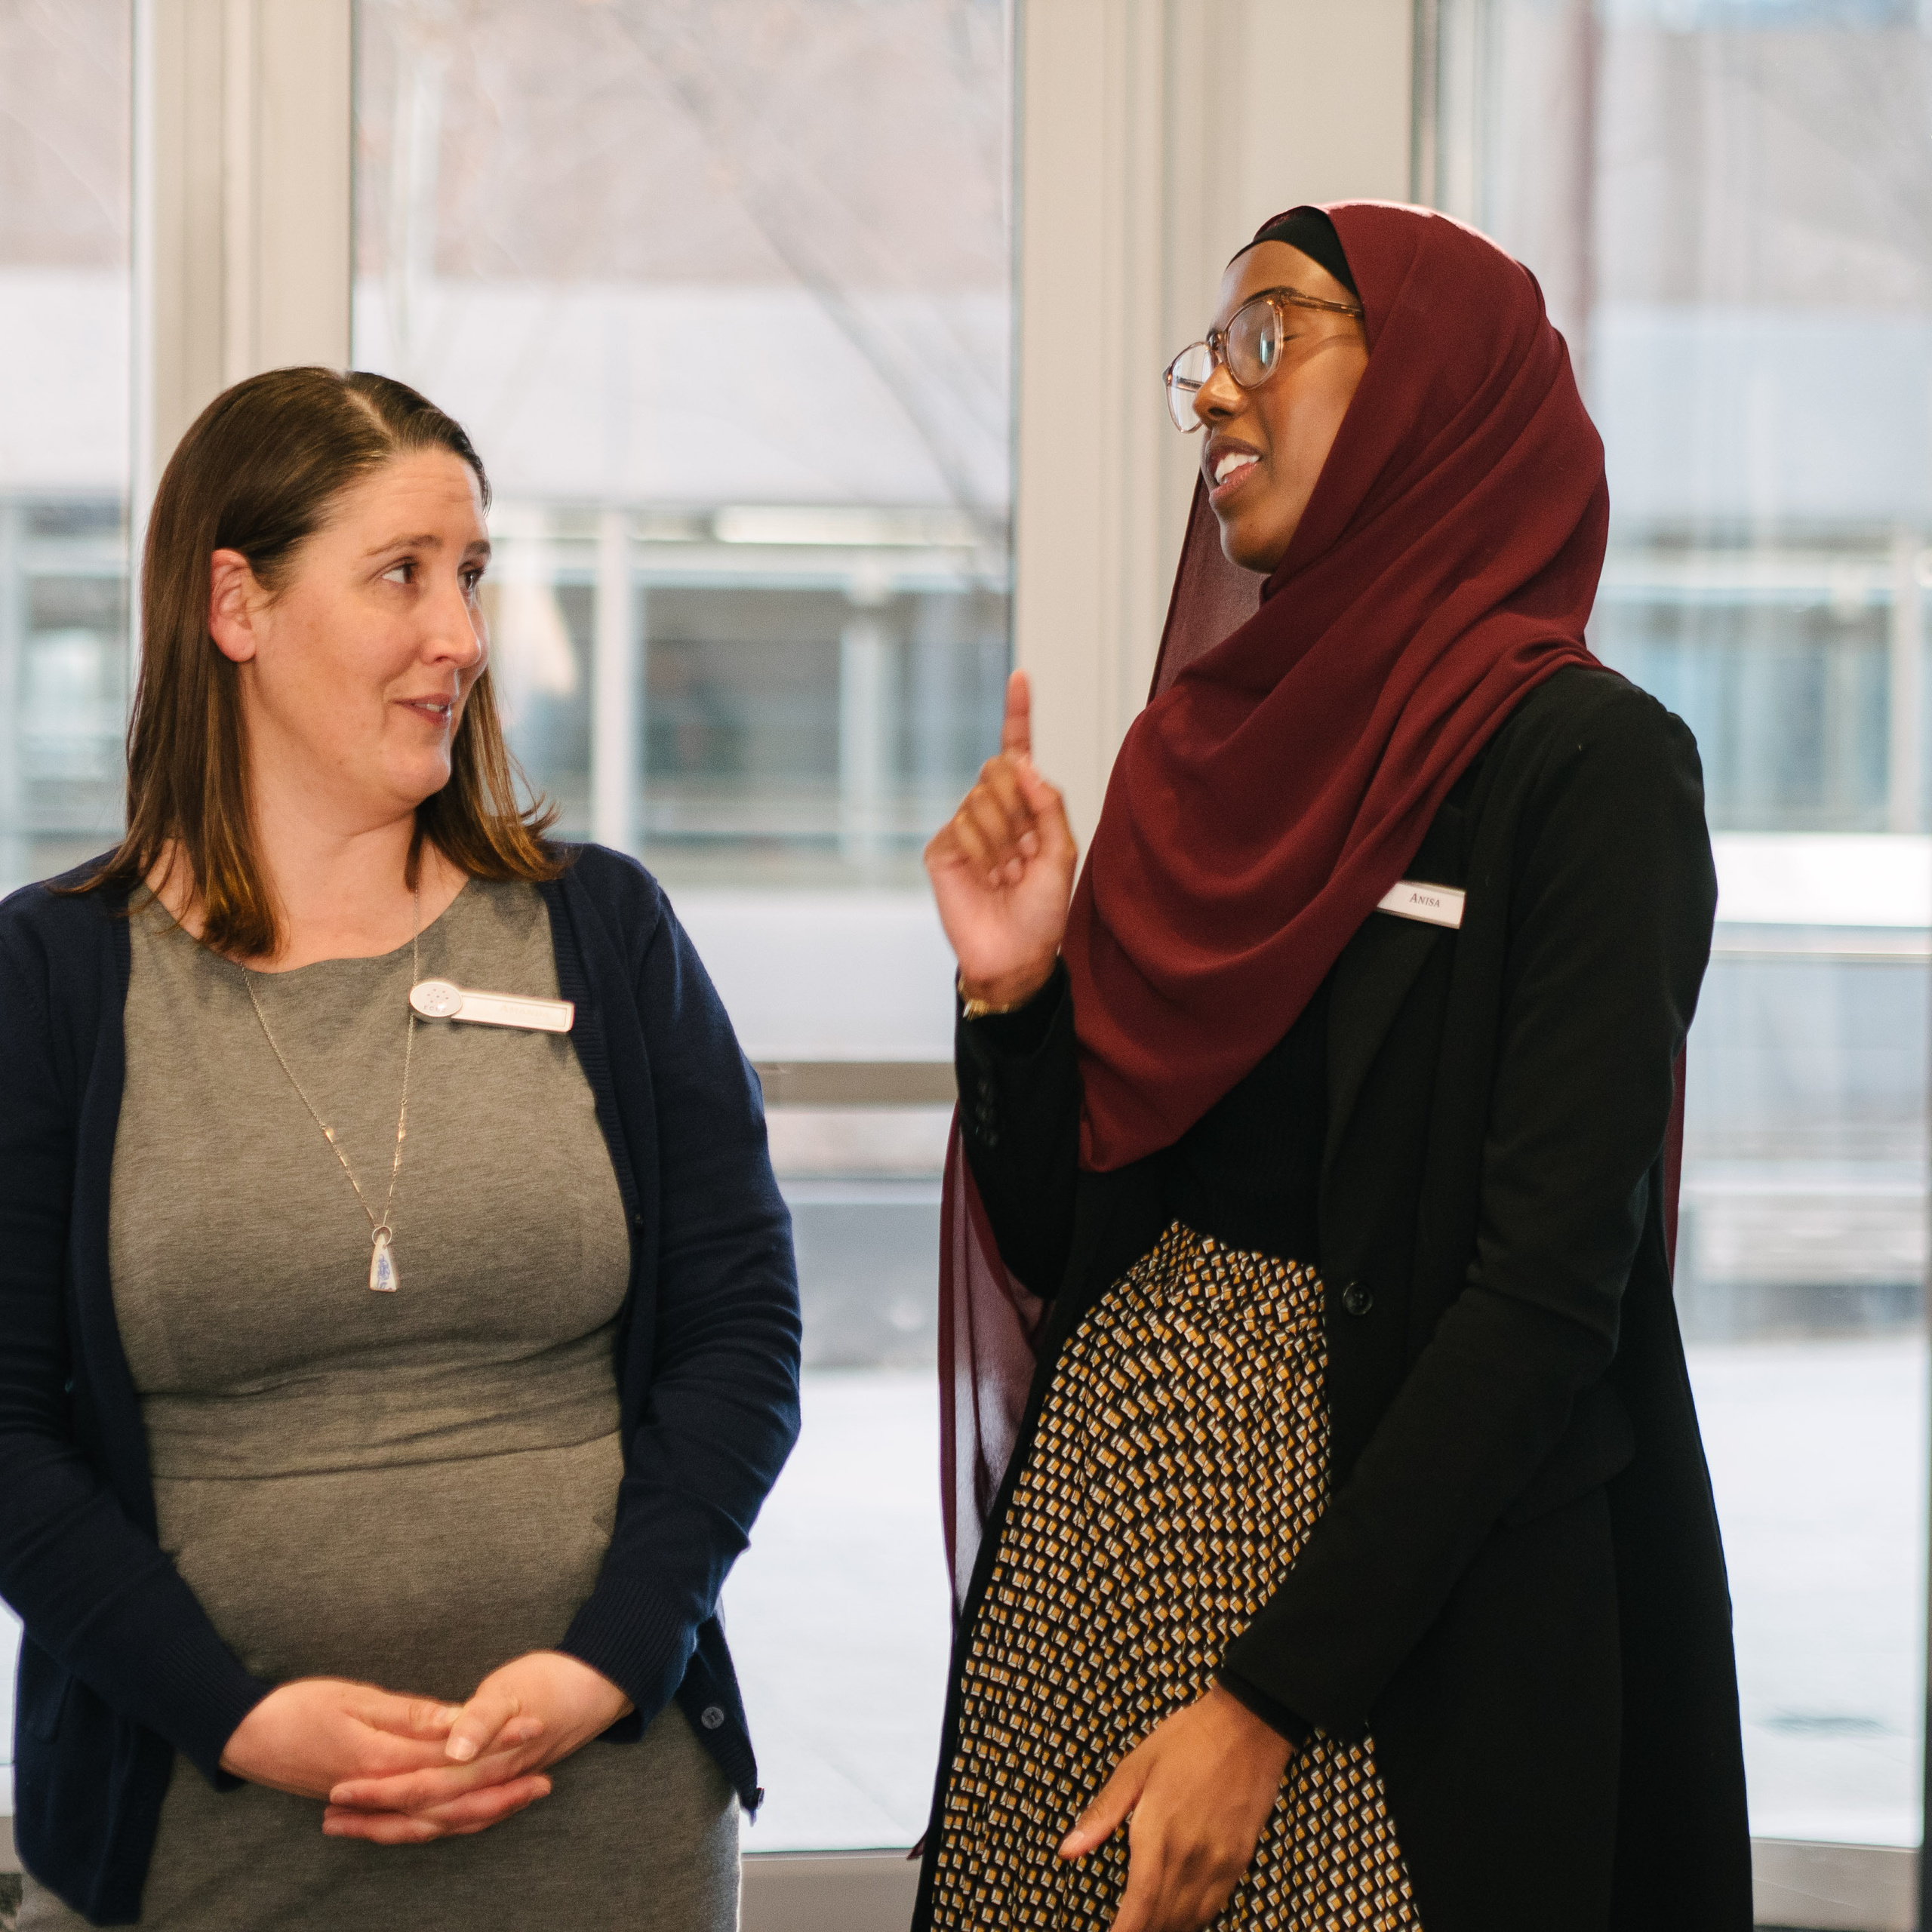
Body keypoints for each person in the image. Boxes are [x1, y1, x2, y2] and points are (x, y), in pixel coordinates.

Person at [916, 204, 1751, 1932]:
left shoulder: (1584, 768)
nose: (1215, 396)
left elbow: (1542, 1297)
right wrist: (1014, 992)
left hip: (1390, 1650)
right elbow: (1069, 1236)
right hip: (1101, 1583)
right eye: (1201, 364)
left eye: (1268, 336)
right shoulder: (1192, 755)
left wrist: (1265, 1697)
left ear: (1438, 388)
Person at [0, 368, 801, 1929]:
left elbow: (742, 1336)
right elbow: (7, 1427)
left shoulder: (604, 929)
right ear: (236, 605)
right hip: (206, 1833)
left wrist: (609, 1660)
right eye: (402, 574)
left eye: (471, 574)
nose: (463, 635)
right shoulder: (54, 979)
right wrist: (234, 1717)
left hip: (607, 1819)